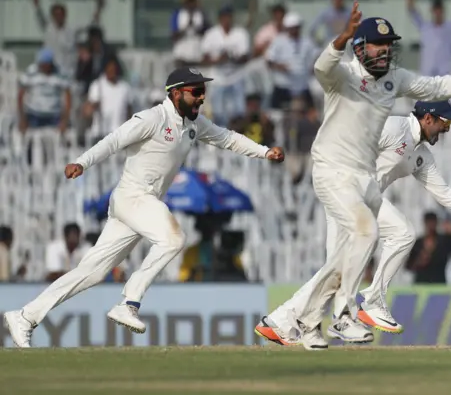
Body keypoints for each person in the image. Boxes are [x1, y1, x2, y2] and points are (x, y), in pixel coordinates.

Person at [268, 0, 451, 350]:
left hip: (363, 181)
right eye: (376, 45)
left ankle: (296, 323)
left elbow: (436, 87)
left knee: (343, 261)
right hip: (333, 172)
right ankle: (345, 315)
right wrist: (342, 37)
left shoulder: (395, 82)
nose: (384, 52)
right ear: (359, 47)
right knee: (370, 234)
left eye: (388, 46)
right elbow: (322, 67)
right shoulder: (345, 75)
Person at [3, 67, 285, 348]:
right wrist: (82, 162)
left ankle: (25, 316)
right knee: (174, 239)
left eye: (203, 92)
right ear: (176, 94)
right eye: (196, 92)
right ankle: (130, 302)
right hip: (133, 196)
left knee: (91, 272)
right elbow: (113, 140)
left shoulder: (194, 125)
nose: (201, 98)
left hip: (140, 203)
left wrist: (264, 151)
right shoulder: (153, 118)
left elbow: (228, 138)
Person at [257, 100, 451, 345]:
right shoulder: (394, 127)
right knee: (401, 233)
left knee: (339, 269)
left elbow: (444, 193)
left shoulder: (421, 155)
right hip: (346, 191)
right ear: (428, 118)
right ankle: (368, 302)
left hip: (364, 201)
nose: (447, 129)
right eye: (445, 122)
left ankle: (280, 321)